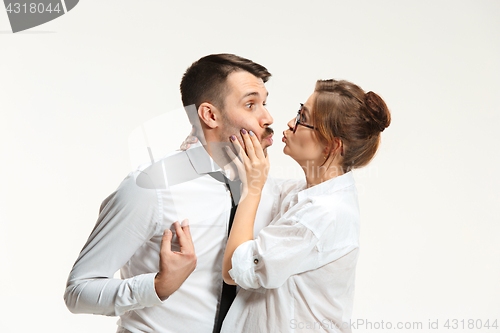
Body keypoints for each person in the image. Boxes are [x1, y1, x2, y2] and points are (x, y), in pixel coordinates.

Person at [64, 54, 282, 333]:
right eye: (251, 104)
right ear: (210, 115)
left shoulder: (265, 186)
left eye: (265, 103)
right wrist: (156, 286)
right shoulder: (150, 187)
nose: (268, 117)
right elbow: (78, 291)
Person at [219, 79, 391, 333]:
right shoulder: (309, 192)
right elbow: (263, 188)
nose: (290, 123)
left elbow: (234, 270)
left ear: (332, 145)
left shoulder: (321, 214)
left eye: (302, 117)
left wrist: (252, 188)